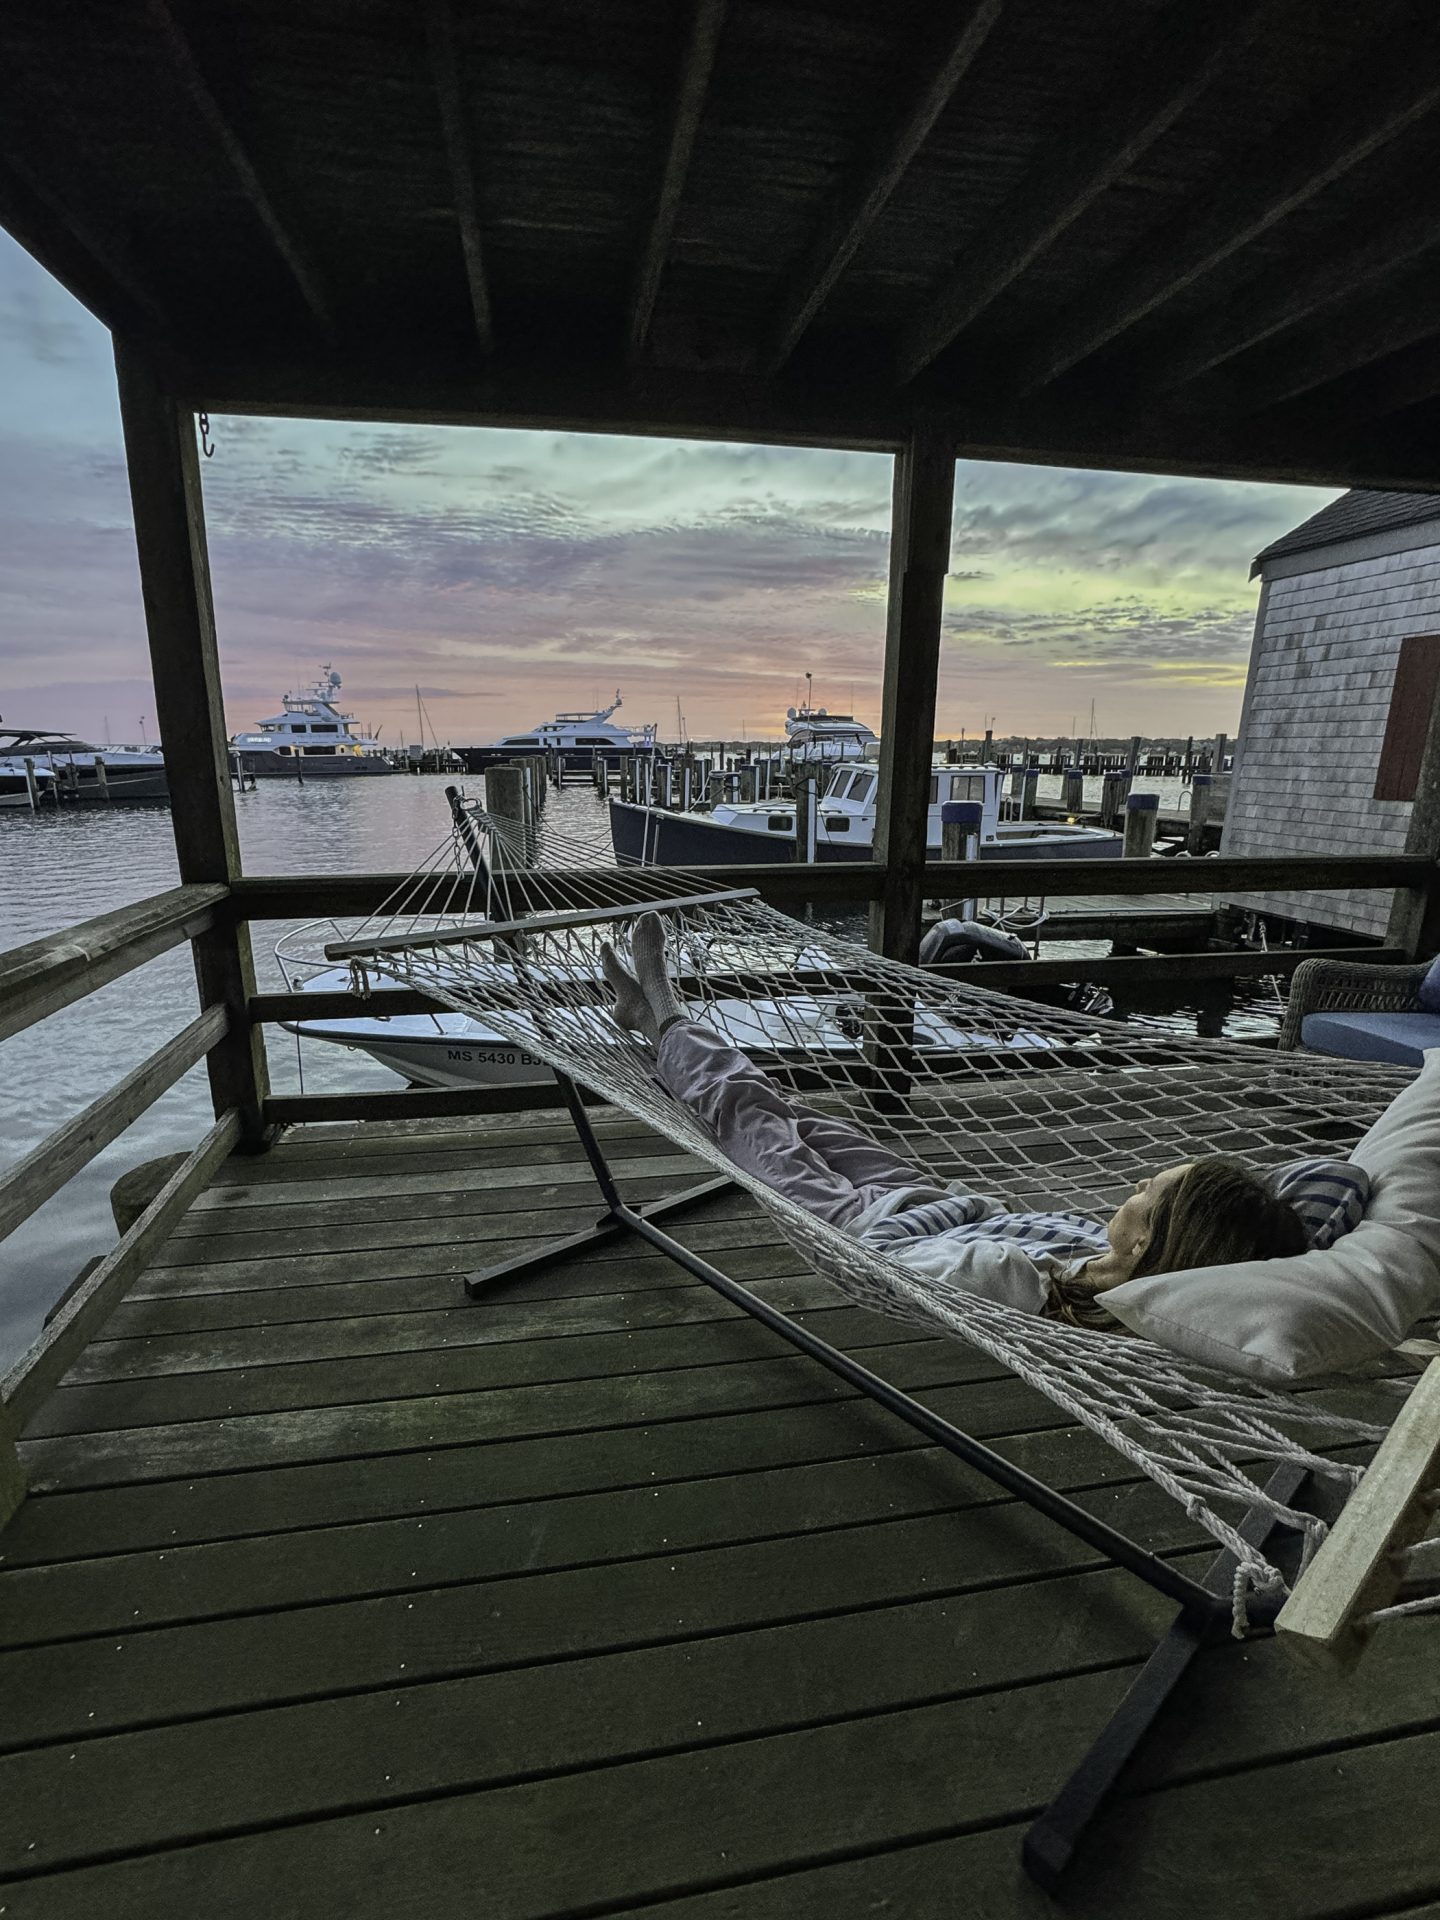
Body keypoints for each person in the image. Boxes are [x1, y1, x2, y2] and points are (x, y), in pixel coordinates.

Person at [600, 912, 1312, 1330]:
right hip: (928, 1198)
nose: (1135, 1180)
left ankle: (663, 1012)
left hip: (855, 1228)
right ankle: (659, 1022)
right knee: (789, 1113)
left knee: (743, 1114)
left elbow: (908, 1269)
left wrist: (908, 1218)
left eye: (1148, 1191)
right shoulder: (1120, 1259)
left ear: (1150, 1240)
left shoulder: (1033, 1284)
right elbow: (1325, 1185)